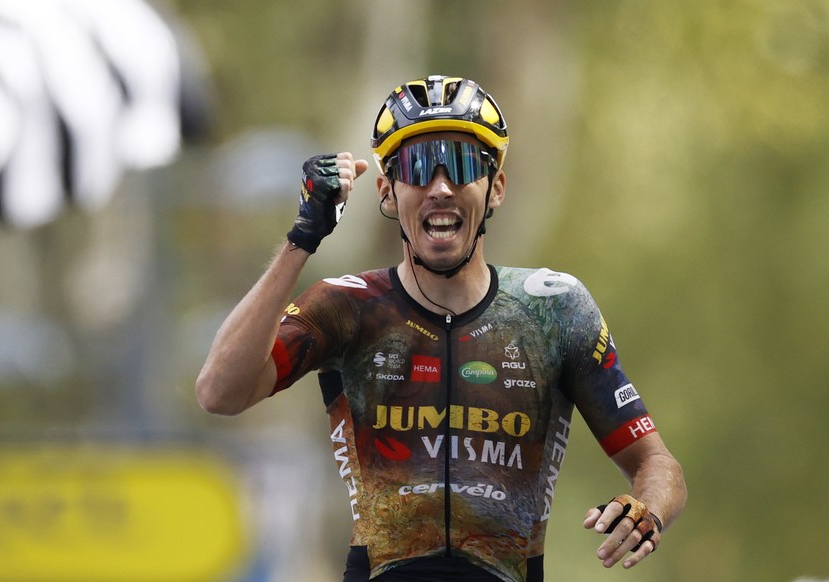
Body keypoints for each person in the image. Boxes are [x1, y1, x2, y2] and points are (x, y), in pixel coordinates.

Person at [196, 74, 687, 582]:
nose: (440, 188)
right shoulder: (349, 306)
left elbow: (657, 464)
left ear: (496, 187)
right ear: (387, 191)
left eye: (461, 164)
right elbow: (219, 390)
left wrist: (646, 511)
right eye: (415, 168)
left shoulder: (554, 309)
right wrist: (302, 238)